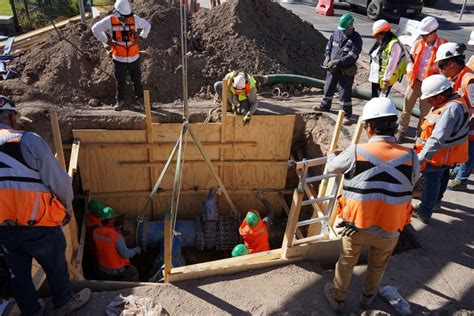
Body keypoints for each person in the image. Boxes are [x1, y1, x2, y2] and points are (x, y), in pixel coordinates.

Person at [323, 97, 419, 314]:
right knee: (378, 265)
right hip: (390, 227)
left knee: (346, 261)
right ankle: (367, 299)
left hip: (356, 225)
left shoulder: (357, 151)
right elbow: (411, 183)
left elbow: (332, 167)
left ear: (368, 127)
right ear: (394, 126)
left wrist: (331, 155)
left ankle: (338, 298)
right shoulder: (411, 156)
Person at [0, 95, 90, 315]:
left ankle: (31, 311)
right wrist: (67, 208)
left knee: (18, 275)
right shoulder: (27, 140)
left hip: (4, 229)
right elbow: (59, 182)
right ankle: (63, 302)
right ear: (11, 117)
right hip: (39, 223)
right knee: (56, 265)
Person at [413, 75, 469, 224]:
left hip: (439, 155)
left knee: (431, 183)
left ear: (441, 96)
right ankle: (434, 203)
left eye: (430, 98)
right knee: (440, 179)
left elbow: (438, 138)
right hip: (445, 155)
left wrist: (421, 157)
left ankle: (424, 211)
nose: (429, 102)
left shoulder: (451, 109)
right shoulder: (451, 101)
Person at [92, 0, 151, 111]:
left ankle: (140, 101)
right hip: (119, 58)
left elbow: (147, 26)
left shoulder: (135, 19)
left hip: (134, 57)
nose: (124, 19)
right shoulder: (110, 20)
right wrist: (107, 41)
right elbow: (95, 28)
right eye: (122, 17)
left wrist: (142, 37)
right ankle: (120, 101)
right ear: (117, 13)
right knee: (120, 81)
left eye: (126, 16)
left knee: (137, 80)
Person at [396, 16, 448, 143]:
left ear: (434, 32)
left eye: (425, 35)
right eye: (422, 35)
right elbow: (410, 60)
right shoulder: (418, 44)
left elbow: (447, 70)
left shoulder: (444, 46)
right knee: (406, 108)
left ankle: (420, 135)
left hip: (431, 87)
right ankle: (402, 130)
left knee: (425, 114)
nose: (423, 38)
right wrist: (409, 69)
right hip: (415, 82)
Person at [434, 42, 474, 191]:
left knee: (468, 153)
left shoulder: (468, 81)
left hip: (469, 129)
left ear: (451, 64)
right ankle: (457, 171)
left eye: (441, 66)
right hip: (461, 127)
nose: (440, 70)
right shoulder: (457, 77)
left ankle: (461, 179)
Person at [315, 13, 362, 126]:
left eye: (345, 30)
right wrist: (327, 56)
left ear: (351, 26)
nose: (343, 32)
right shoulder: (336, 34)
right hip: (332, 69)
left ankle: (346, 115)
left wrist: (337, 62)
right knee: (328, 87)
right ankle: (325, 106)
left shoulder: (356, 39)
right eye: (342, 30)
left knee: (344, 93)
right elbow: (329, 46)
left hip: (345, 71)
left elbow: (353, 55)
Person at [93, 207, 141, 281]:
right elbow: (125, 254)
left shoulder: (95, 232)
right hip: (116, 269)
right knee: (133, 271)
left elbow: (107, 238)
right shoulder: (116, 237)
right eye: (113, 219)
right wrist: (135, 250)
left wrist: (118, 231)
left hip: (103, 267)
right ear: (111, 221)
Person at [368, 20, 407, 98]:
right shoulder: (381, 41)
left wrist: (386, 80)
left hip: (384, 80)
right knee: (373, 99)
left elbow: (392, 64)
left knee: (380, 102)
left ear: (383, 33)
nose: (375, 37)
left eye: (377, 34)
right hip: (375, 77)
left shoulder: (394, 45)